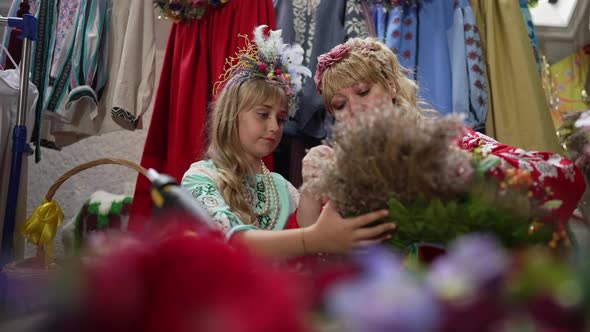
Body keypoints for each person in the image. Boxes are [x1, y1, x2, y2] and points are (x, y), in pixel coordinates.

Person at [308, 37, 586, 226]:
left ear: (391, 86)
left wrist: (454, 168)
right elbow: (313, 255)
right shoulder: (339, 172)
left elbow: (562, 178)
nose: (355, 109)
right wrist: (310, 188)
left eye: (364, 92)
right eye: (341, 105)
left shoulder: (447, 140)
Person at [181, 27, 396, 259]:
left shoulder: (283, 188)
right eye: (263, 115)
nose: (274, 127)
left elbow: (310, 259)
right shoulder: (201, 177)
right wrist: (312, 238)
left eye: (282, 119)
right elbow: (231, 243)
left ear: (391, 86)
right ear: (231, 116)